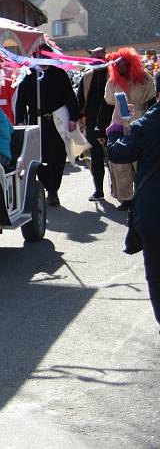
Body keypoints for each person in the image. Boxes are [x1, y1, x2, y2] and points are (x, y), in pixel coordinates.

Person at [106, 91, 160, 328]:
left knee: (157, 275)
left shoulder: (147, 124)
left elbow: (118, 152)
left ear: (157, 94)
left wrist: (115, 129)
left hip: (153, 212)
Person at [15, 54, 80, 207]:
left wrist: (73, 118)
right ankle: (45, 185)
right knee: (37, 158)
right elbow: (21, 100)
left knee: (57, 158)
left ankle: (53, 191)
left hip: (56, 123)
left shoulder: (59, 74)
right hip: (36, 124)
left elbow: (70, 97)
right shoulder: (29, 75)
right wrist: (19, 120)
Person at [100, 47, 157, 210]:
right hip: (120, 125)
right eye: (118, 65)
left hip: (141, 123)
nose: (121, 67)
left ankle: (143, 195)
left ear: (132, 63)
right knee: (120, 166)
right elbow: (106, 106)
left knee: (141, 163)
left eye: (125, 64)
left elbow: (152, 103)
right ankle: (126, 198)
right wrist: (101, 129)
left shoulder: (145, 78)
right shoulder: (112, 83)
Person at [76, 47, 111, 202]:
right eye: (94, 56)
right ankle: (99, 190)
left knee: (115, 157)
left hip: (112, 122)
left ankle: (123, 193)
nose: (97, 58)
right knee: (95, 157)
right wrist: (77, 118)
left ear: (105, 56)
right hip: (91, 122)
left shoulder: (113, 73)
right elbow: (80, 100)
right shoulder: (87, 76)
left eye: (99, 56)